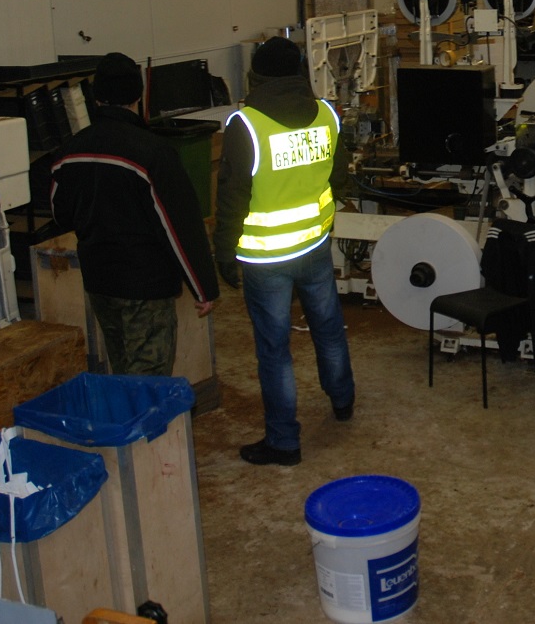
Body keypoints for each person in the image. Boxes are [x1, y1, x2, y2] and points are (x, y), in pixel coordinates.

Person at [213, 37, 355, 467]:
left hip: (266, 259)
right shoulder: (326, 113)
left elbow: (233, 196)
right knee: (328, 327)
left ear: (256, 75)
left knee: (275, 351)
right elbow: (340, 174)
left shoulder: (247, 124)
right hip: (314, 244)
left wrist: (223, 251)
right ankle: (343, 400)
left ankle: (283, 441)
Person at [50, 52, 219, 375]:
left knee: (122, 368)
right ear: (138, 96)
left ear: (96, 97)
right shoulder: (153, 153)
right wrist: (202, 286)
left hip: (100, 283)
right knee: (149, 379)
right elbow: (178, 226)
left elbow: (62, 215)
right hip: (146, 287)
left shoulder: (68, 153)